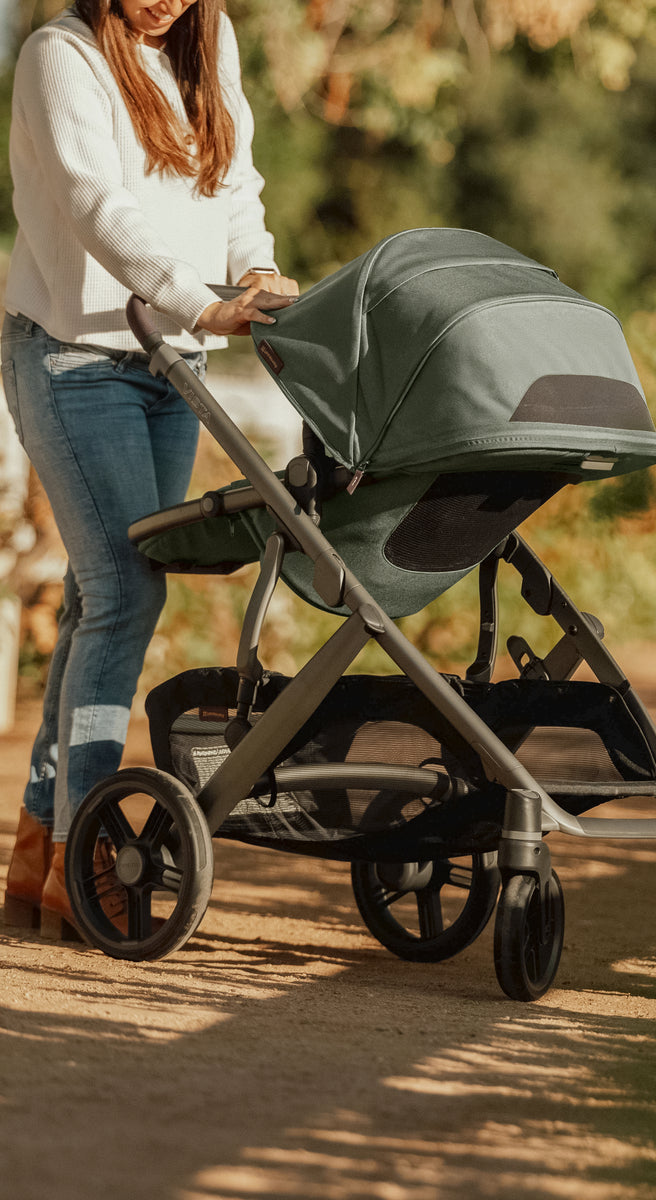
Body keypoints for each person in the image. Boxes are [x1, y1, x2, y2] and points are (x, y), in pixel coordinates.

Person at [2, 0, 298, 939]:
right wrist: (195, 300)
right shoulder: (60, 54)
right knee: (126, 591)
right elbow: (97, 203)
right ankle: (86, 844)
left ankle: (42, 844)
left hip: (173, 365)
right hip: (73, 357)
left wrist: (257, 270)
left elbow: (234, 184)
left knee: (100, 597)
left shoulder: (210, 43)